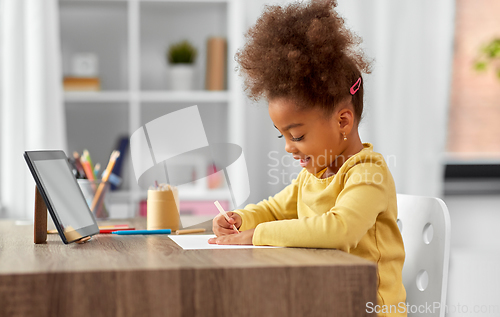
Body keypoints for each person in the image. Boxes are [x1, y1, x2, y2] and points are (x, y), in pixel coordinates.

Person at [209, 1, 406, 315]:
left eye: (297, 135)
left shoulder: (368, 174)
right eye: (282, 135)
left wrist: (256, 236)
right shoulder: (313, 176)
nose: (289, 147)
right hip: (324, 299)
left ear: (343, 121)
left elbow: (340, 230)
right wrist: (241, 219)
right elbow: (274, 210)